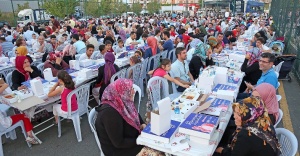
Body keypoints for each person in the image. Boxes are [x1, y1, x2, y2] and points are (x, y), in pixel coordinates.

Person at [95, 79, 164, 156]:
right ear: (121, 92)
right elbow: (119, 143)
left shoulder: (122, 103)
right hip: (120, 151)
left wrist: (143, 124)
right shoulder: (109, 113)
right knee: (161, 151)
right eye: (130, 89)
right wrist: (142, 140)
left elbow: (136, 115)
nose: (134, 92)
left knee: (161, 143)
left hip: (133, 140)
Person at [214, 96, 281, 156]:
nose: (234, 116)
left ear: (250, 115)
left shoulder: (246, 135)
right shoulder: (264, 121)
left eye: (239, 114)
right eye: (234, 112)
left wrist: (221, 150)